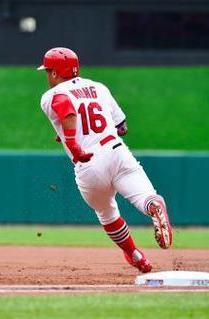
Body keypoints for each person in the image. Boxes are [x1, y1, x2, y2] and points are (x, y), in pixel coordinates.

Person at [38, 47, 172, 273]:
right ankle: (154, 206)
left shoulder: (51, 95)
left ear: (54, 73)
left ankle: (135, 255)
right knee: (145, 196)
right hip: (116, 150)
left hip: (88, 162)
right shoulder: (98, 87)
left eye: (48, 71)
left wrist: (71, 140)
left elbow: (67, 109)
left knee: (107, 214)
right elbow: (122, 126)